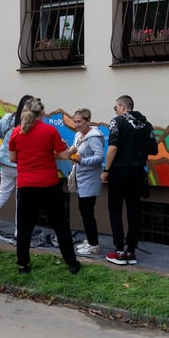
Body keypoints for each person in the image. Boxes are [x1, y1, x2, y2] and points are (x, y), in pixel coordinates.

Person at [8, 98, 80, 275]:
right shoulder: (50, 130)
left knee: (25, 228)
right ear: (41, 113)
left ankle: (23, 265)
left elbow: (12, 159)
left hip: (26, 187)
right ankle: (72, 263)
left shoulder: (16, 132)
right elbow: (63, 156)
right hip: (49, 185)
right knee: (60, 225)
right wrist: (72, 150)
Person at [102, 94, 158, 266]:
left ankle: (119, 251)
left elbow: (113, 147)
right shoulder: (146, 125)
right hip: (137, 173)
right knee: (134, 212)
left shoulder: (117, 122)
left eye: (116, 108)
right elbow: (153, 149)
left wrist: (106, 170)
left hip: (119, 172)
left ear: (123, 107)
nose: (116, 111)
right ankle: (131, 251)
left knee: (115, 211)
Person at [0, 94, 33, 242]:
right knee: (20, 198)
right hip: (20, 164)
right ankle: (19, 230)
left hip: (5, 161)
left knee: (2, 193)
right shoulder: (29, 124)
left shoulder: (7, 118)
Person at [68, 108, 106, 256]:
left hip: (90, 179)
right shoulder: (78, 135)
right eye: (75, 121)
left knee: (87, 212)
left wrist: (82, 161)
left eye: (80, 122)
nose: (77, 124)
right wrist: (70, 150)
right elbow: (76, 151)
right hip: (81, 177)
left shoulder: (94, 137)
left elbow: (99, 157)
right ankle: (91, 241)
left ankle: (94, 245)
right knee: (85, 211)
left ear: (88, 121)